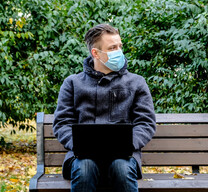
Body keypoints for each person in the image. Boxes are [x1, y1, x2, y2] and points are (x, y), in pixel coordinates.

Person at [53, 24, 156, 192]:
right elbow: (62, 123)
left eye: (120, 46)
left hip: (124, 156)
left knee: (121, 168)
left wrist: (128, 145)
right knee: (84, 167)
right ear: (96, 53)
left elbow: (146, 123)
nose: (119, 51)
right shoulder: (72, 83)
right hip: (82, 157)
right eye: (112, 48)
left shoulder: (136, 82)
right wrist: (78, 145)